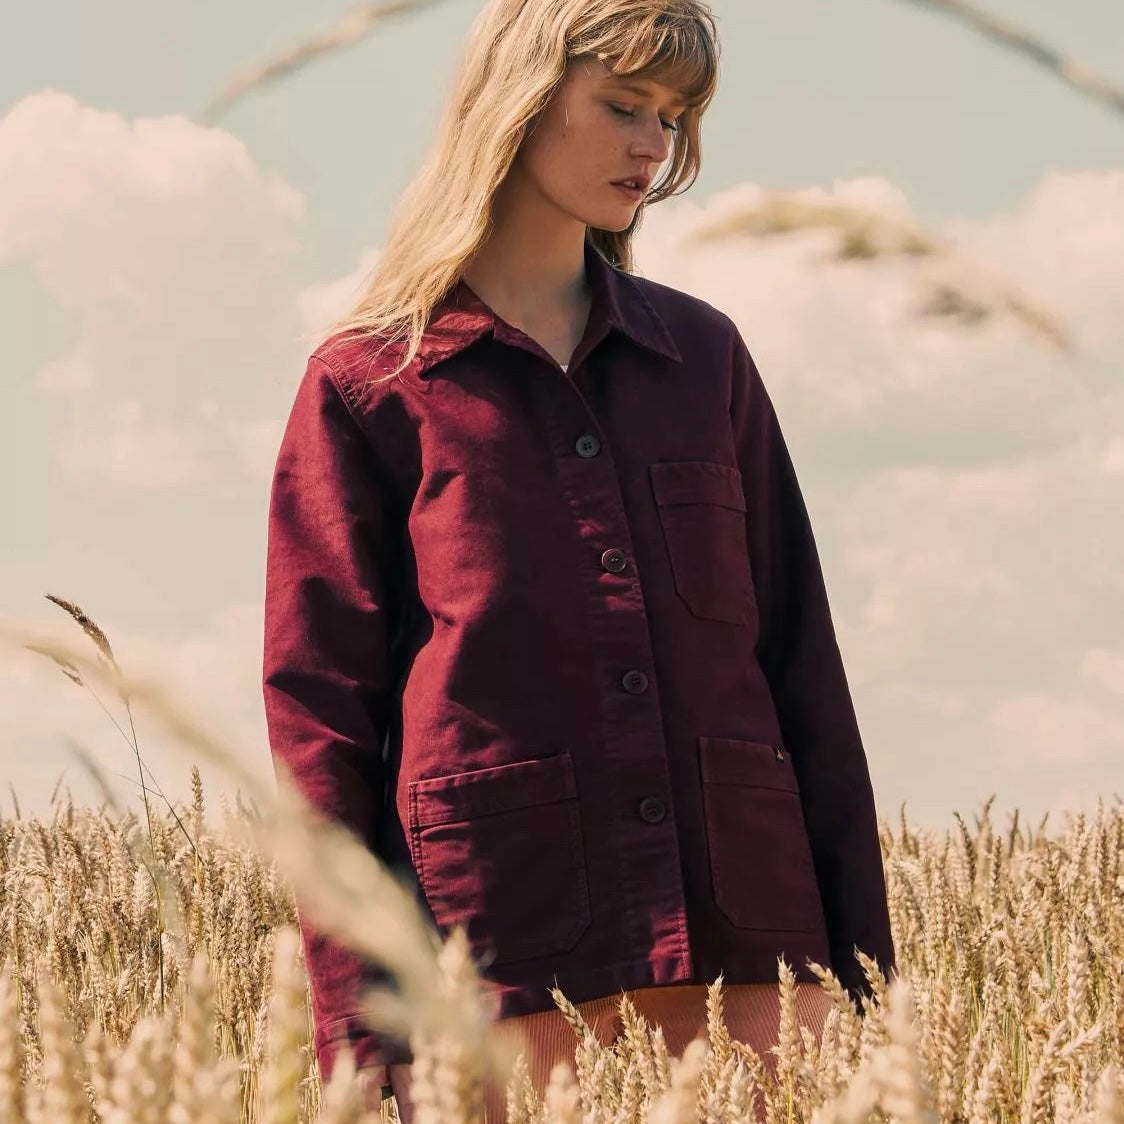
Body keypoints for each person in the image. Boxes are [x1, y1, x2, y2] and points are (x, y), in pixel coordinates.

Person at [261, 0, 897, 1120]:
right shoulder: (368, 383)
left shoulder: (702, 359)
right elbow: (321, 723)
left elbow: (799, 657)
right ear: (518, 95)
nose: (652, 145)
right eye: (621, 104)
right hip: (498, 944)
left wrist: (862, 964)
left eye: (673, 115)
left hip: (743, 948)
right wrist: (360, 1030)